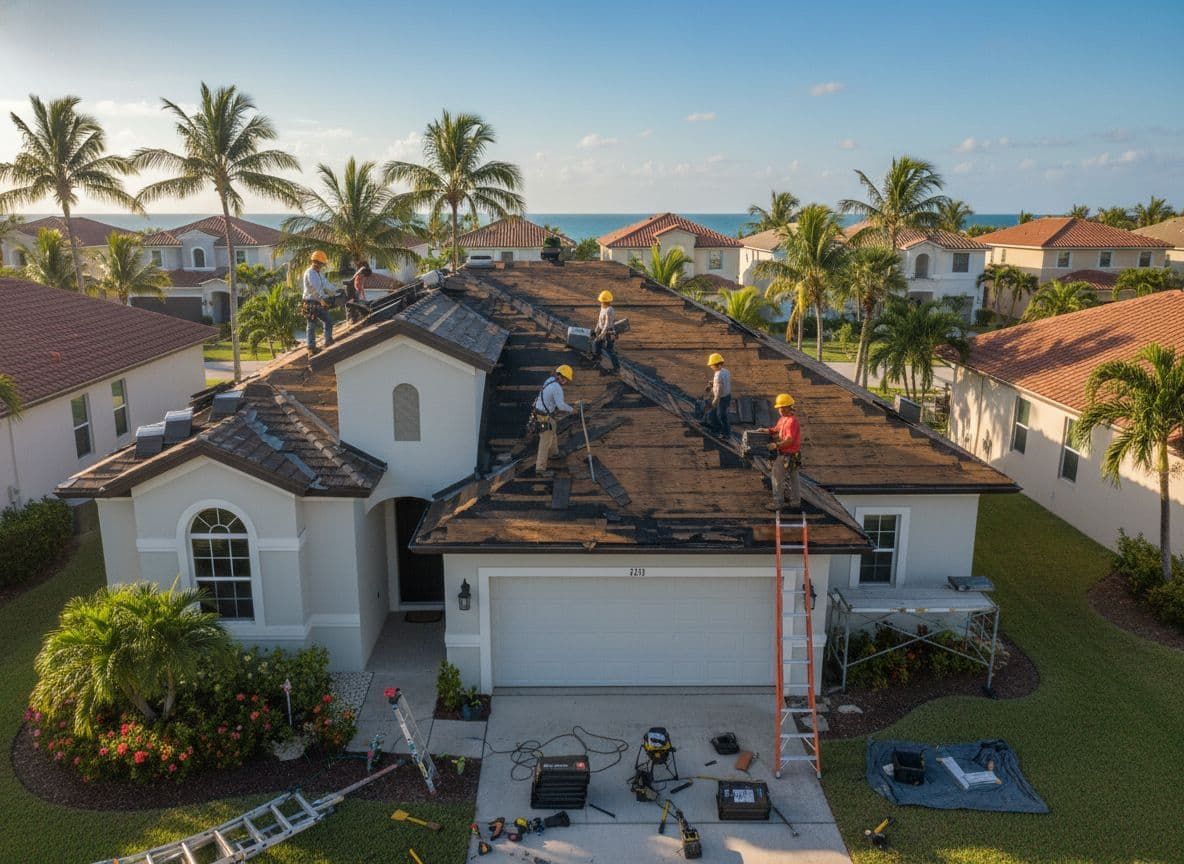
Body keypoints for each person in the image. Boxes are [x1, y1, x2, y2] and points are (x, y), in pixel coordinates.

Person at [533, 365, 576, 476]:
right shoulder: (557, 388)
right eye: (565, 378)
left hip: (539, 413)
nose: (566, 381)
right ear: (560, 376)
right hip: (545, 416)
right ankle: (540, 469)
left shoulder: (549, 380)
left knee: (553, 431)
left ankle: (554, 453)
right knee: (545, 441)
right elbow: (561, 406)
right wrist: (572, 409)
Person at [766, 393, 802, 511]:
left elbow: (789, 440)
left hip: (788, 454)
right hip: (791, 455)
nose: (779, 410)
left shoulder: (792, 421)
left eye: (780, 408)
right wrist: (767, 430)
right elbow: (776, 429)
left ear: (787, 407)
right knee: (793, 478)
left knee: (777, 477)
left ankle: (778, 503)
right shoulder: (783, 419)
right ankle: (795, 502)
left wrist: (776, 445)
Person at [303, 250, 335, 354]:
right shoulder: (310, 273)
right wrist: (321, 299)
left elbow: (326, 284)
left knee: (328, 320)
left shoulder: (319, 273)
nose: (321, 266)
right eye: (321, 263)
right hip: (310, 302)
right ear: (315, 262)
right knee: (311, 325)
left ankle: (328, 341)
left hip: (318, 301)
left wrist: (336, 290)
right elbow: (313, 289)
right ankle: (311, 348)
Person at [591, 289, 620, 372]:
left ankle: (616, 367)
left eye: (602, 301)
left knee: (609, 350)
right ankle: (597, 359)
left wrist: (602, 334)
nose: (601, 303)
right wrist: (596, 330)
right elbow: (599, 321)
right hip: (602, 331)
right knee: (596, 343)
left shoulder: (609, 310)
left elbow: (607, 324)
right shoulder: (602, 308)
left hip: (608, 333)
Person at [704, 353, 731, 438]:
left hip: (721, 398)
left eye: (712, 365)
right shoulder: (725, 371)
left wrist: (716, 399)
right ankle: (717, 428)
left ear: (717, 365)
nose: (711, 367)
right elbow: (722, 382)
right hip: (727, 396)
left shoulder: (718, 374)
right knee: (717, 413)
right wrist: (712, 384)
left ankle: (725, 434)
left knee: (721, 415)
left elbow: (720, 387)